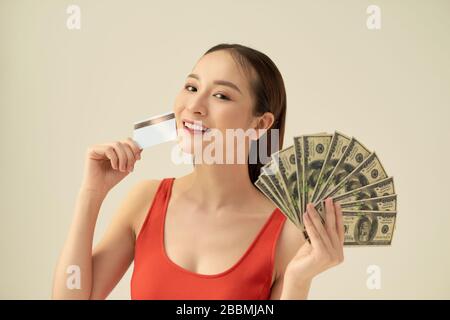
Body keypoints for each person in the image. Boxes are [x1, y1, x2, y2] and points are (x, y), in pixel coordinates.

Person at [52, 43, 344, 300]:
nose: (193, 105)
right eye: (191, 88)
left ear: (260, 125)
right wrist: (91, 194)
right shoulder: (145, 200)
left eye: (220, 96)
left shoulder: (286, 233)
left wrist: (299, 279)